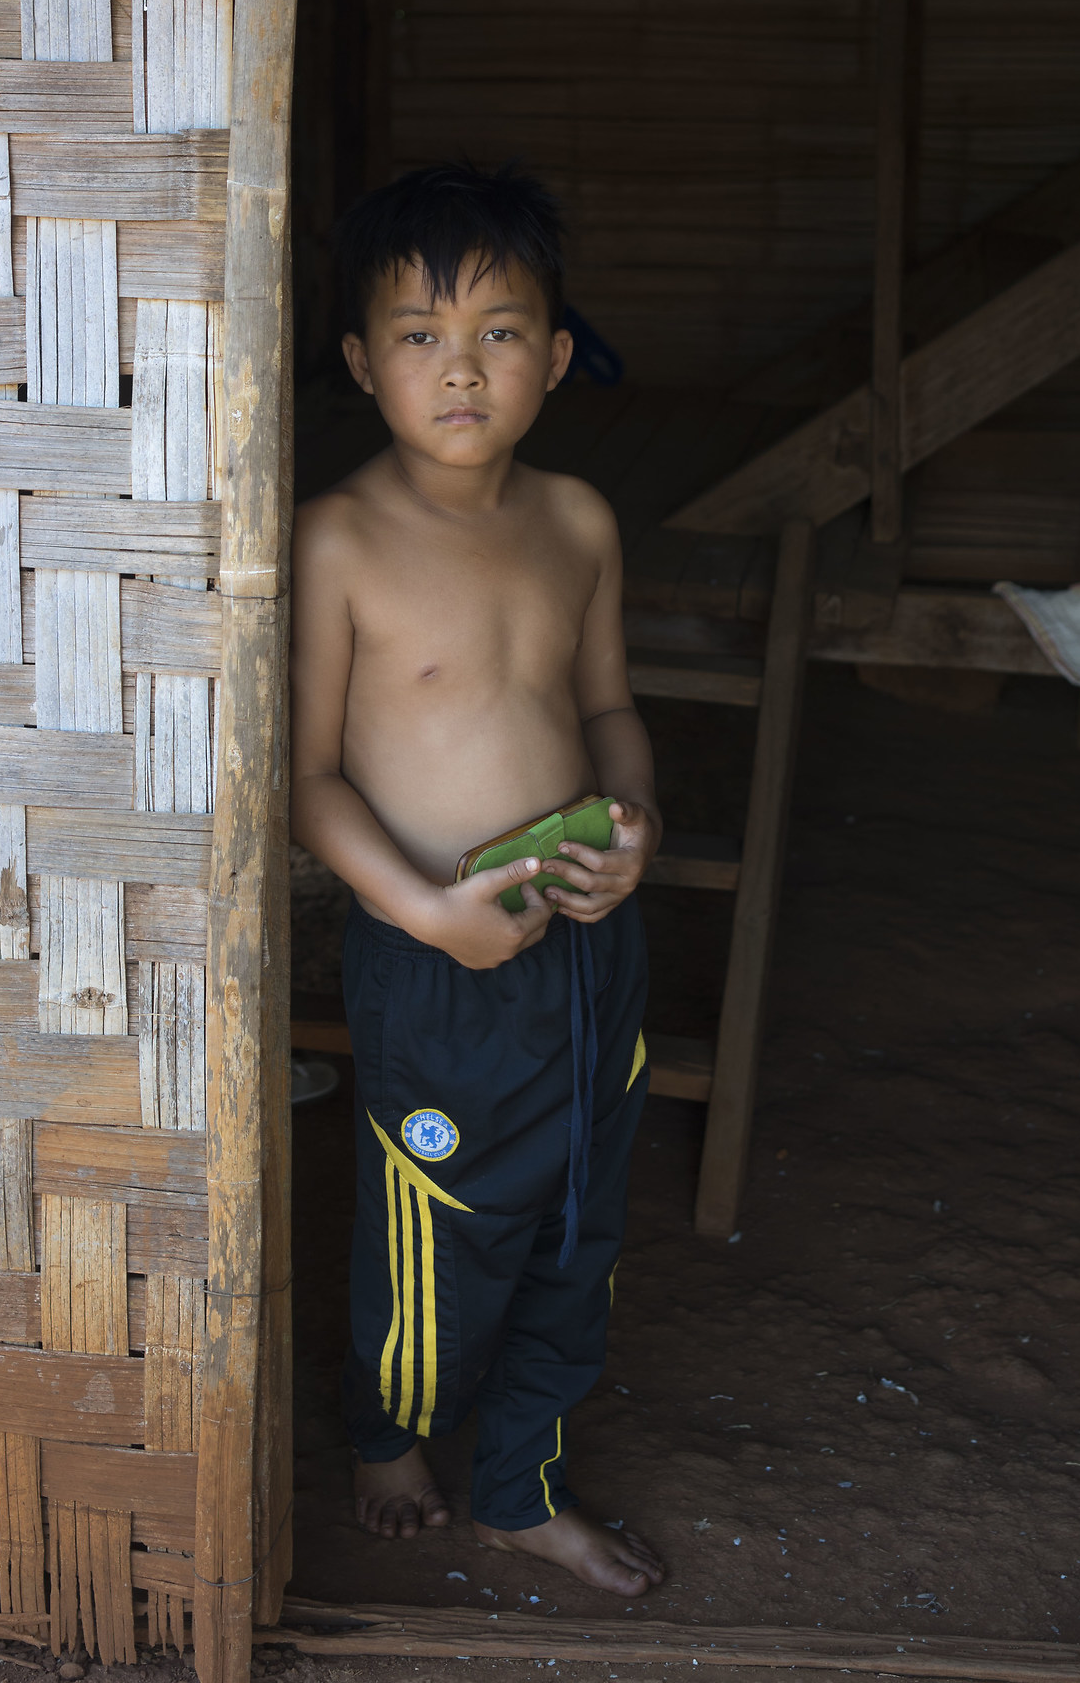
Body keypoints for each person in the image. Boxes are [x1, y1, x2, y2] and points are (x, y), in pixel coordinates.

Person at [290, 160, 665, 1598]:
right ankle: (389, 1437)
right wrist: (425, 911)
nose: (462, 370)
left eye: (500, 333)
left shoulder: (576, 521)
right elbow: (308, 779)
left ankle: (520, 1485)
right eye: (418, 336)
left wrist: (630, 823)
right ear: (359, 362)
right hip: (431, 956)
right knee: (440, 1225)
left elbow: (613, 709)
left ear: (555, 358)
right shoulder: (340, 540)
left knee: (579, 1225)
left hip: (584, 941)